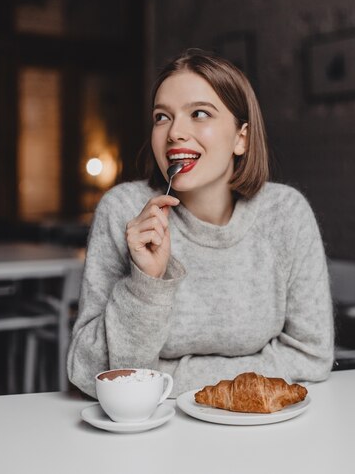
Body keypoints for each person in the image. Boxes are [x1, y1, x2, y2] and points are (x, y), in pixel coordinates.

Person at [67, 48, 334, 398]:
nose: (175, 132)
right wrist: (145, 283)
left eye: (199, 113)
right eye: (162, 117)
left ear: (242, 137)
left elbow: (311, 356)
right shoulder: (123, 211)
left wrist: (167, 375)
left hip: (262, 431)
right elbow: (88, 372)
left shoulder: (285, 214)